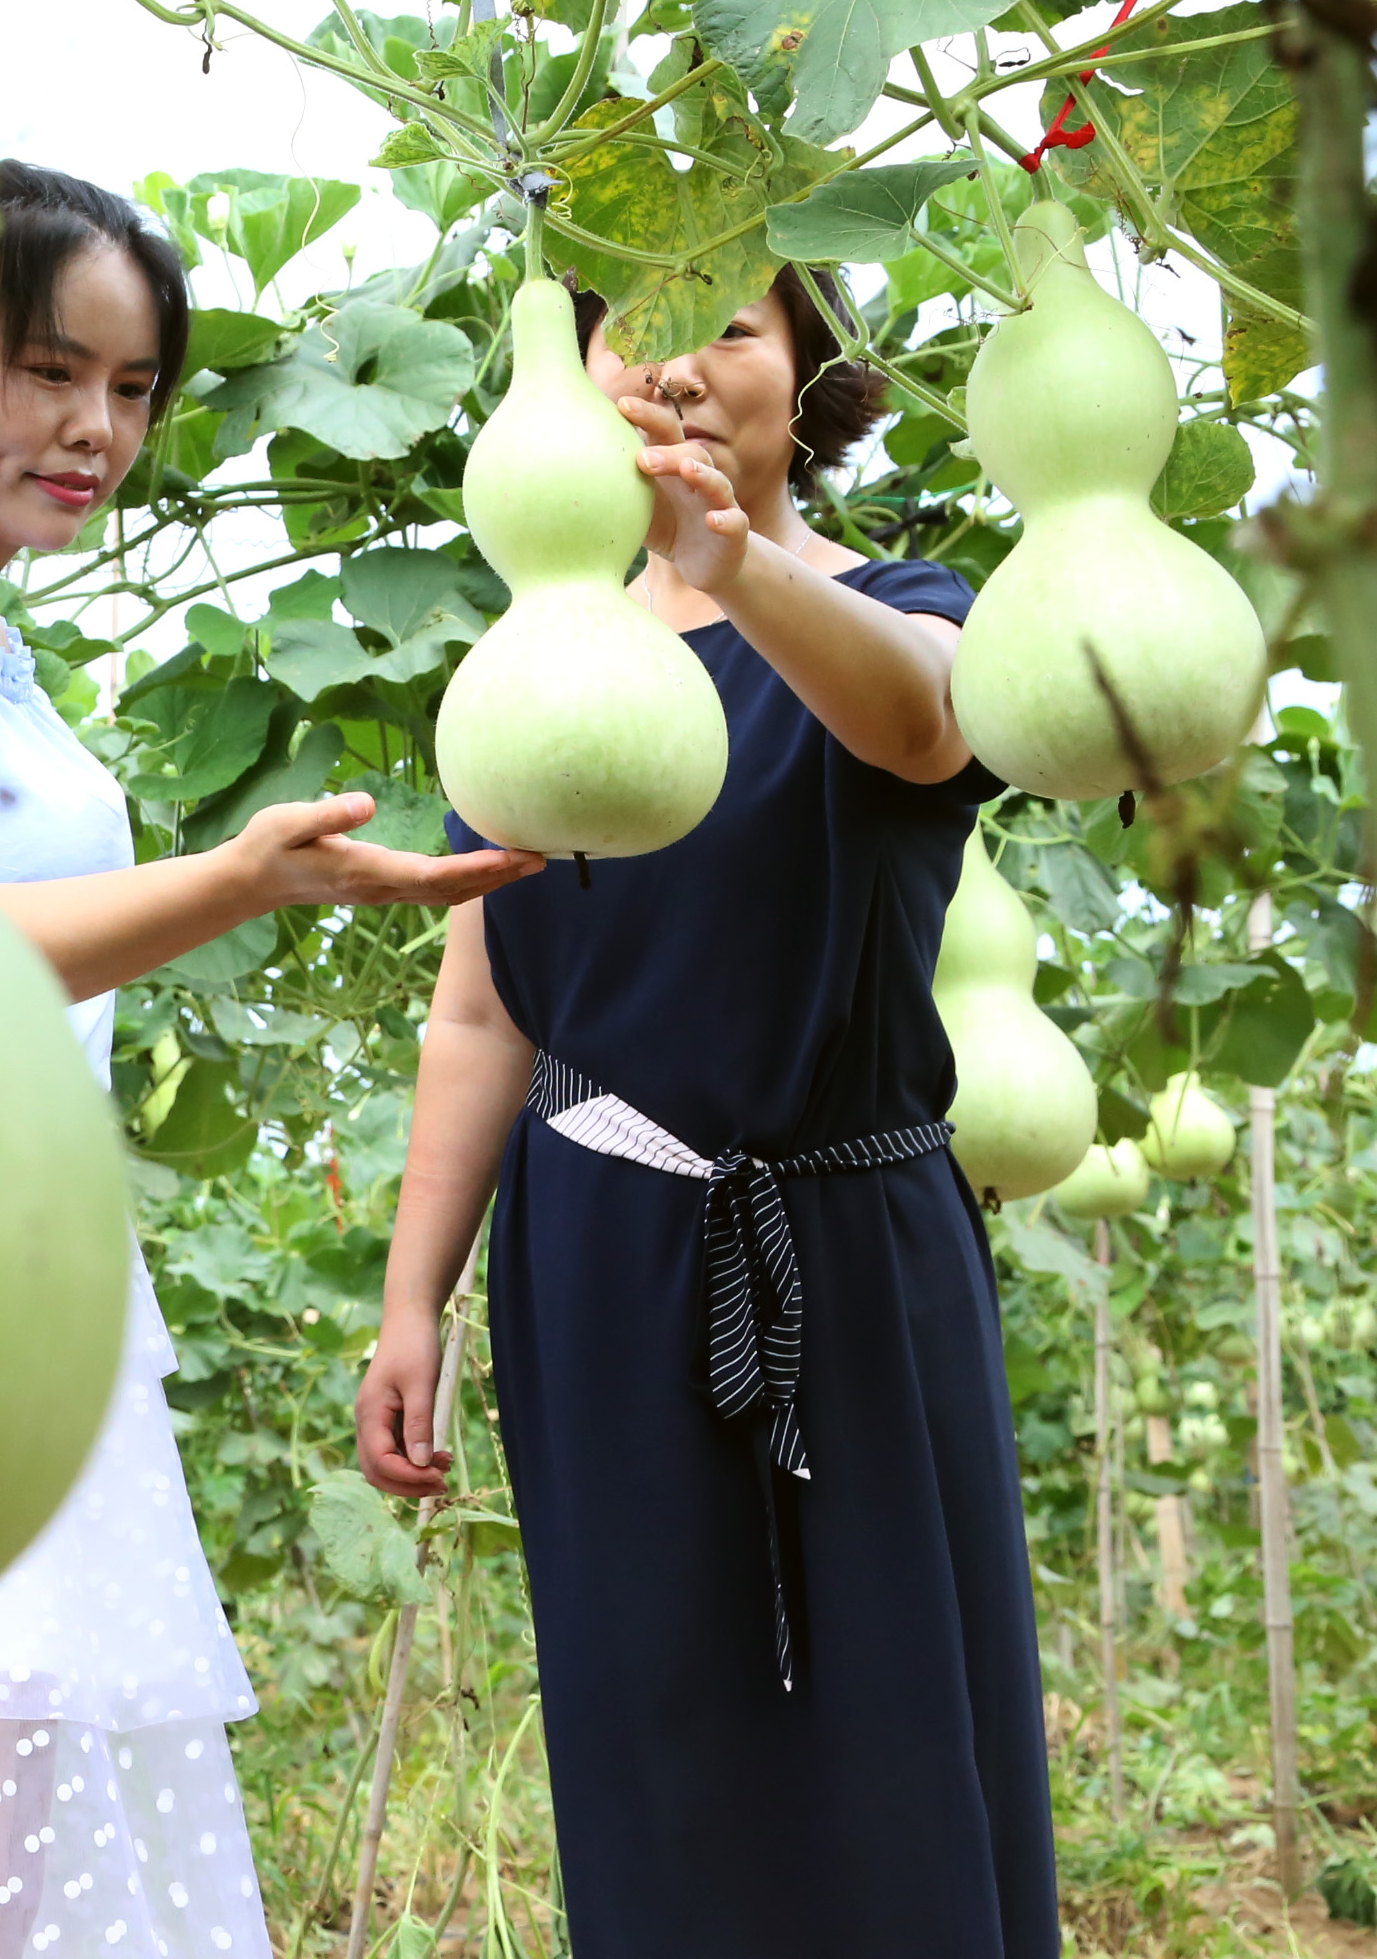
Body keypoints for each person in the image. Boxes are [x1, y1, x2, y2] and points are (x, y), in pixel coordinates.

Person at [0, 163, 537, 1959]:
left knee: (32, 1856)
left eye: (133, 389)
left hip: (16, 1285)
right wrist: (234, 881)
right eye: (49, 372)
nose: (96, 428)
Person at [356, 269, 1061, 1959]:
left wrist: (730, 561)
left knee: (894, 1728)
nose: (675, 364)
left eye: (732, 330)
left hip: (853, 1243)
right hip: (600, 1259)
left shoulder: (901, 601)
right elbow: (484, 1009)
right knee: (658, 1726)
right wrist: (411, 1297)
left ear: (808, 384)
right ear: (571, 374)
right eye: (632, 332)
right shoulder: (534, 670)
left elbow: (926, 725)